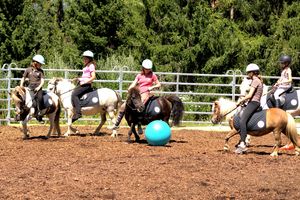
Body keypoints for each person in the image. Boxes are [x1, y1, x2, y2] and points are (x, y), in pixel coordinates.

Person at [112, 59, 161, 130]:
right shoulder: (139, 75)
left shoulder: (153, 75)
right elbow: (134, 83)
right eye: (146, 69)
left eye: (149, 69)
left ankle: (139, 123)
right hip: (138, 93)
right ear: (143, 68)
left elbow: (159, 84)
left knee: (140, 105)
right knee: (123, 106)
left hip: (146, 92)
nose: (147, 70)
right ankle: (116, 124)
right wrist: (130, 88)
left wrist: (152, 87)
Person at [235, 63, 263, 154]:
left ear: (252, 73)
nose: (247, 75)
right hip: (253, 102)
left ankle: (243, 144)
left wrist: (240, 100)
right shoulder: (257, 80)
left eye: (248, 73)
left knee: (242, 120)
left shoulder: (255, 81)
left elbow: (250, 95)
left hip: (254, 103)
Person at [71, 50, 96, 122]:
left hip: (87, 85)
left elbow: (93, 77)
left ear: (89, 59)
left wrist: (84, 81)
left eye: (85, 58)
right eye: (84, 58)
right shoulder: (86, 66)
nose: (84, 60)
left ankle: (78, 113)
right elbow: (85, 76)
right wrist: (77, 79)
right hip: (83, 83)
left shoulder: (91, 66)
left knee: (74, 94)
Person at [20, 54, 46, 123]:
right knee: (21, 99)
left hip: (38, 89)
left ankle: (39, 115)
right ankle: (19, 113)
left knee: (40, 99)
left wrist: (38, 88)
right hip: (29, 88)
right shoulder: (28, 70)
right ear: (35, 63)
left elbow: (42, 81)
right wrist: (21, 86)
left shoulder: (41, 71)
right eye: (40, 64)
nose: (41, 65)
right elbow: (23, 78)